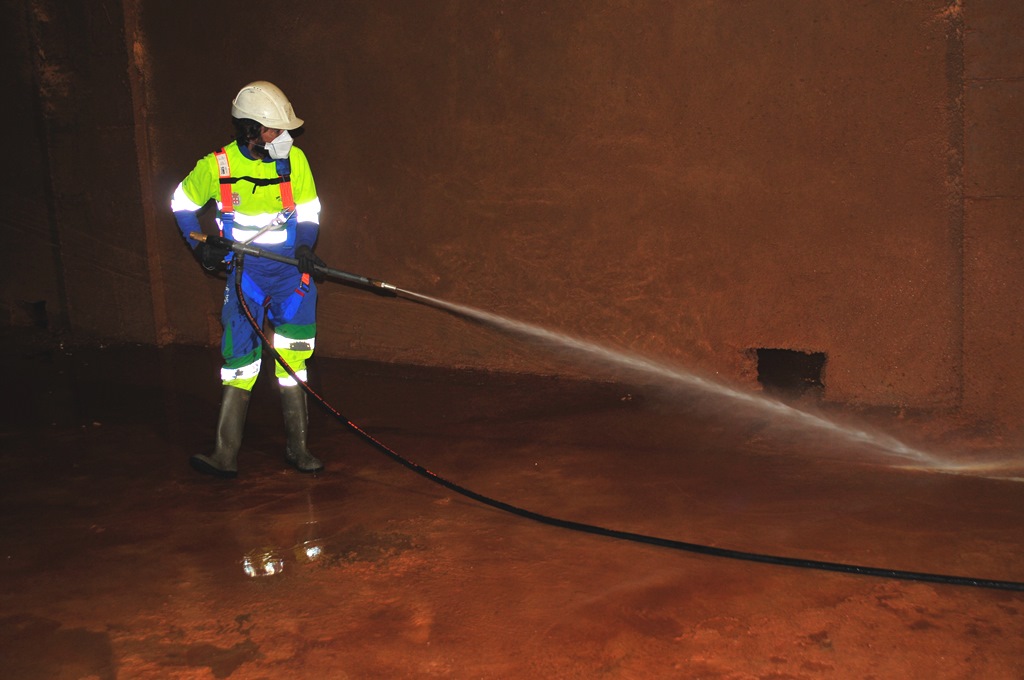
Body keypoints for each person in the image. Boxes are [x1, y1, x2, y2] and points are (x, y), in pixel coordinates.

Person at [171, 80, 326, 478]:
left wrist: (306, 245)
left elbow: (309, 211)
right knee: (239, 359)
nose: (283, 137)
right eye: (275, 130)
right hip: (246, 278)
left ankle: (299, 448)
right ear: (251, 129)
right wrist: (199, 246)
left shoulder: (296, 162)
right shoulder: (217, 166)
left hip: (292, 277)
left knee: (294, 360)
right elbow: (181, 204)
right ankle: (224, 455)